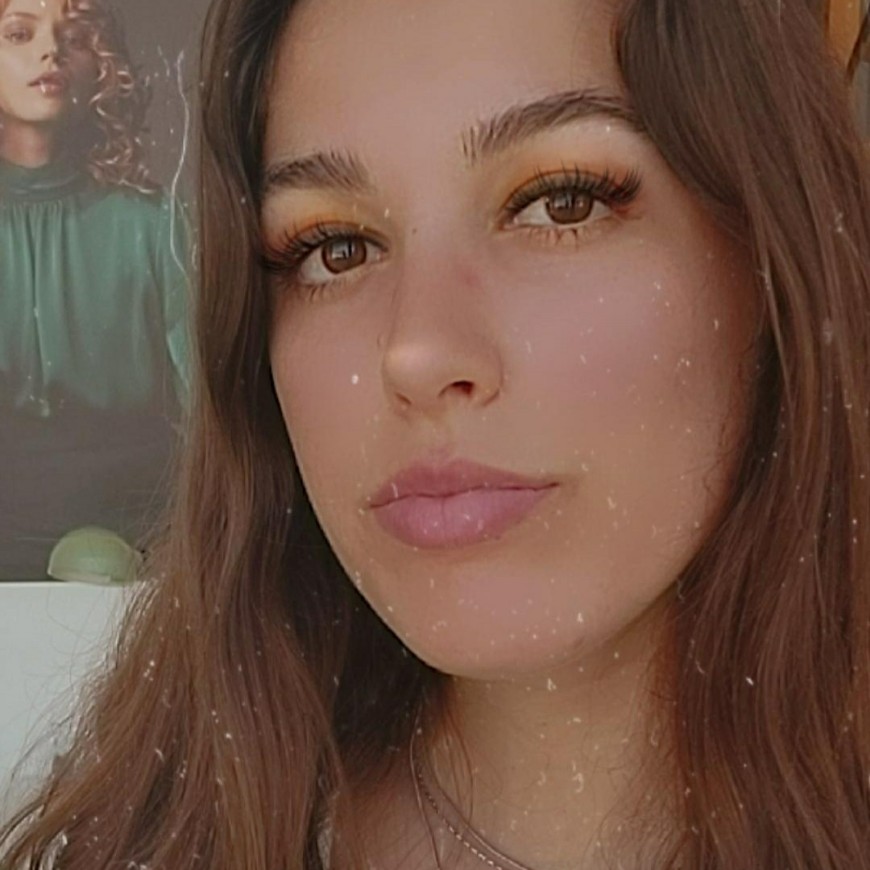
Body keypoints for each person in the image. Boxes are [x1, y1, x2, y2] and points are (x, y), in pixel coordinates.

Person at [2, 0, 868, 867]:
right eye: (335, 248)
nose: (415, 352)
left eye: (559, 202)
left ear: (769, 256)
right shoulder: (145, 841)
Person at [0, 0, 189, 579]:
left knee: (94, 566)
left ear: (101, 67)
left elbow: (217, 416)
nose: (50, 51)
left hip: (120, 536)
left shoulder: (152, 224)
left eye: (76, 36)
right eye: (19, 34)